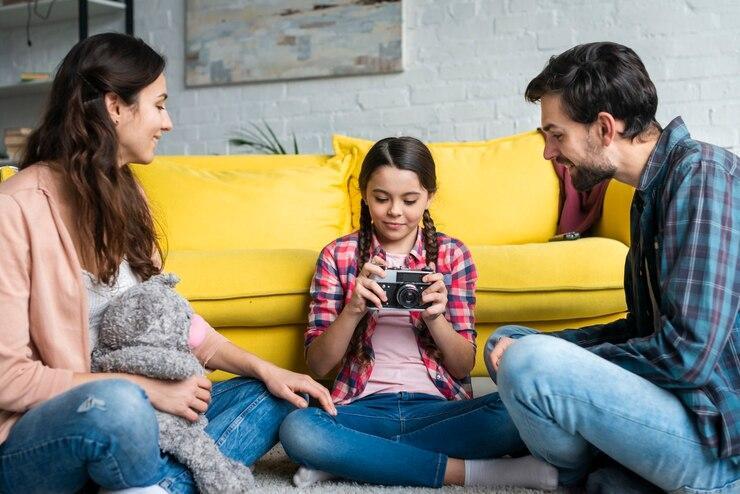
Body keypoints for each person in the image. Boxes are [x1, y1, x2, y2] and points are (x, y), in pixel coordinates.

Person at [0, 33, 335, 494]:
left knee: (272, 394)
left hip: (144, 413)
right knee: (119, 407)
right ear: (115, 107)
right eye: (159, 105)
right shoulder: (15, 210)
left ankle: (147, 485)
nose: (168, 122)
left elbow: (172, 320)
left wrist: (266, 369)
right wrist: (144, 390)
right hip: (46, 434)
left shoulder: (126, 194)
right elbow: (9, 380)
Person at [485, 41, 739, 492]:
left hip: (718, 445)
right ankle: (613, 474)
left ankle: (578, 473)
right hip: (683, 413)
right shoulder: (651, 192)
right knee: (509, 341)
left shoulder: (702, 177)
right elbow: (643, 332)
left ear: (604, 127)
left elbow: (688, 358)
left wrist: (556, 364)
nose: (548, 153)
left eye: (556, 134)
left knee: (527, 363)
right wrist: (548, 350)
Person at [278, 136, 558, 490]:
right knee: (297, 428)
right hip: (363, 409)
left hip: (439, 408)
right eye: (382, 198)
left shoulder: (452, 255)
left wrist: (435, 317)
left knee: (518, 413)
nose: (395, 211)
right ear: (363, 194)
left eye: (410, 200)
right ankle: (474, 473)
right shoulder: (337, 256)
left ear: (430, 197)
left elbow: (461, 366)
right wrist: (353, 310)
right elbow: (318, 367)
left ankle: (353, 459)